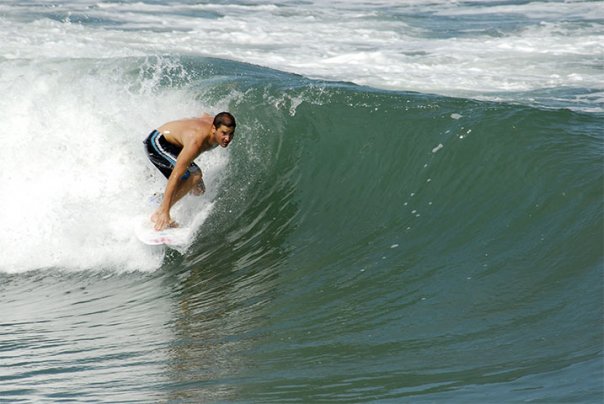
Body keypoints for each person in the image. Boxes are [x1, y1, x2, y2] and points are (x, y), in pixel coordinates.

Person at [143, 111, 236, 231]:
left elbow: (205, 115)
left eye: (231, 134)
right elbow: (175, 175)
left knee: (198, 189)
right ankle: (161, 213)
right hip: (156, 142)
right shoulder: (197, 142)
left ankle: (159, 200)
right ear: (214, 129)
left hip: (174, 145)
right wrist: (165, 212)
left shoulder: (216, 124)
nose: (227, 138)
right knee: (195, 175)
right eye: (224, 133)